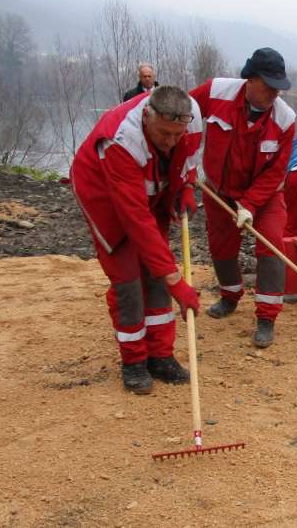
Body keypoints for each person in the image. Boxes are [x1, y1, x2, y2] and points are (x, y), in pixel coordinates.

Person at [70, 85, 203, 394]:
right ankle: (133, 361)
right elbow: (136, 221)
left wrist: (185, 186)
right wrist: (177, 283)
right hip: (104, 194)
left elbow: (187, 160)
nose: (171, 142)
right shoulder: (121, 141)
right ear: (147, 116)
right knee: (129, 277)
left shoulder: (191, 122)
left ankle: (160, 356)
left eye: (176, 134)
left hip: (151, 187)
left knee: (157, 272)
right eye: (163, 134)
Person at [189, 47, 296, 349]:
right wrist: (186, 166)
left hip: (266, 196)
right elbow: (182, 116)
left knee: (272, 245)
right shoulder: (215, 92)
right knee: (221, 246)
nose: (275, 93)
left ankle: (266, 317)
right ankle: (230, 296)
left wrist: (249, 205)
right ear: (250, 78)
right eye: (269, 86)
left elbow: (276, 172)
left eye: (279, 87)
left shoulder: (285, 119)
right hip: (218, 190)